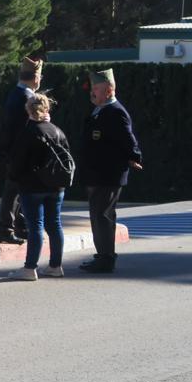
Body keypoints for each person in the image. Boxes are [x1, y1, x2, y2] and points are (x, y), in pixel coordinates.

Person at [80, 69, 143, 273]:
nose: (92, 92)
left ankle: (106, 258)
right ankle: (102, 255)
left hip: (108, 173)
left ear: (109, 90)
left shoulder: (115, 111)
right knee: (97, 215)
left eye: (96, 89)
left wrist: (134, 156)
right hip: (97, 173)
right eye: (92, 88)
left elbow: (127, 138)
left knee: (103, 216)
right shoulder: (100, 109)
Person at [8, 92, 72, 281]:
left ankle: (30, 268)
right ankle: (55, 266)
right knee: (55, 224)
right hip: (57, 186)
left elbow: (17, 162)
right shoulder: (57, 131)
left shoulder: (28, 132)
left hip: (32, 187)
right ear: (47, 109)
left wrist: (15, 178)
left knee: (35, 226)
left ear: (28, 110)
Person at [0, 57, 43, 244]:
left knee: (19, 192)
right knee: (13, 193)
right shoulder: (26, 97)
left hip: (16, 152)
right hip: (20, 154)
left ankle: (19, 226)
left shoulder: (17, 94)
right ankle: (4, 229)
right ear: (35, 78)